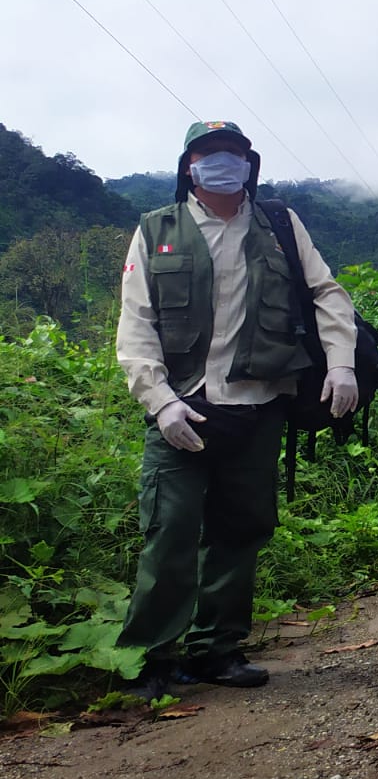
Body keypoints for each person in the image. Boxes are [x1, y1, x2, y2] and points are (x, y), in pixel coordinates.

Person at [116, 120, 358, 698]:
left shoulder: (278, 224)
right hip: (185, 409)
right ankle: (149, 661)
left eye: (234, 154)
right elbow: (136, 324)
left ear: (250, 165)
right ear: (189, 167)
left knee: (240, 531)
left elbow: (326, 292)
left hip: (257, 407)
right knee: (169, 533)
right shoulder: (158, 230)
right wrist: (160, 402)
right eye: (209, 154)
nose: (223, 163)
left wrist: (342, 360)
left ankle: (216, 650)